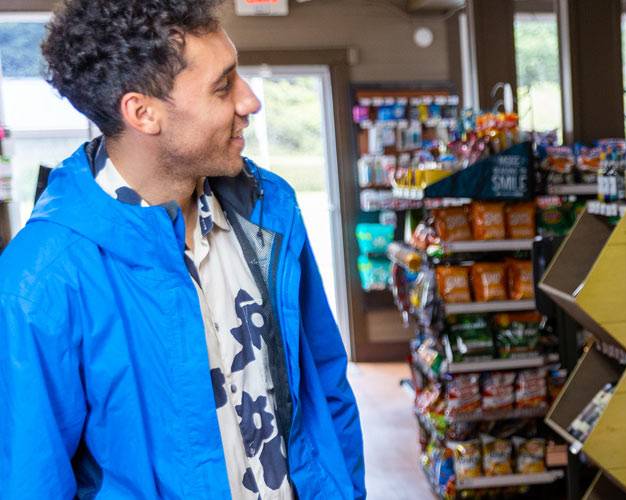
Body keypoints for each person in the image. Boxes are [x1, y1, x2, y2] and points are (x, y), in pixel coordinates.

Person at [0, 0, 363, 498]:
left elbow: (325, 382)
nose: (250, 101)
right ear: (143, 113)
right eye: (224, 85)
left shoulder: (270, 207)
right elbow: (31, 479)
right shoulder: (40, 278)